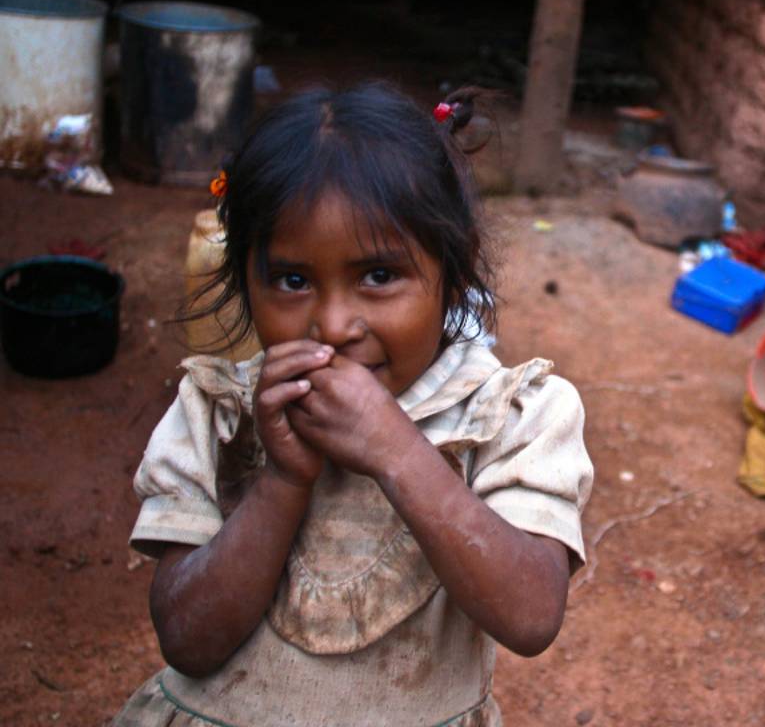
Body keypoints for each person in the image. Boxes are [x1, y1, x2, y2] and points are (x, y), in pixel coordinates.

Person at [113, 83, 593, 726]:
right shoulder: (219, 410)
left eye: (378, 275)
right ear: (245, 282)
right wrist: (282, 480)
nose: (335, 324)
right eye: (292, 280)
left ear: (453, 273)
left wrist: (395, 449)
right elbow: (186, 638)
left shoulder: (510, 415)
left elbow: (532, 616)